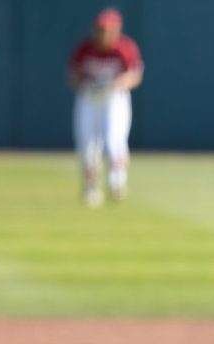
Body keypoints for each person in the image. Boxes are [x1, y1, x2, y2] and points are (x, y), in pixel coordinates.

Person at [68, 7, 143, 207]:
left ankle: (117, 181)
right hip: (89, 98)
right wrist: (88, 83)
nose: (104, 33)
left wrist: (114, 83)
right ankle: (91, 187)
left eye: (109, 29)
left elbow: (135, 76)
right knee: (87, 144)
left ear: (117, 30)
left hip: (114, 98)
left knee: (114, 139)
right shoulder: (85, 48)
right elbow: (73, 76)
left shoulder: (125, 48)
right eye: (101, 29)